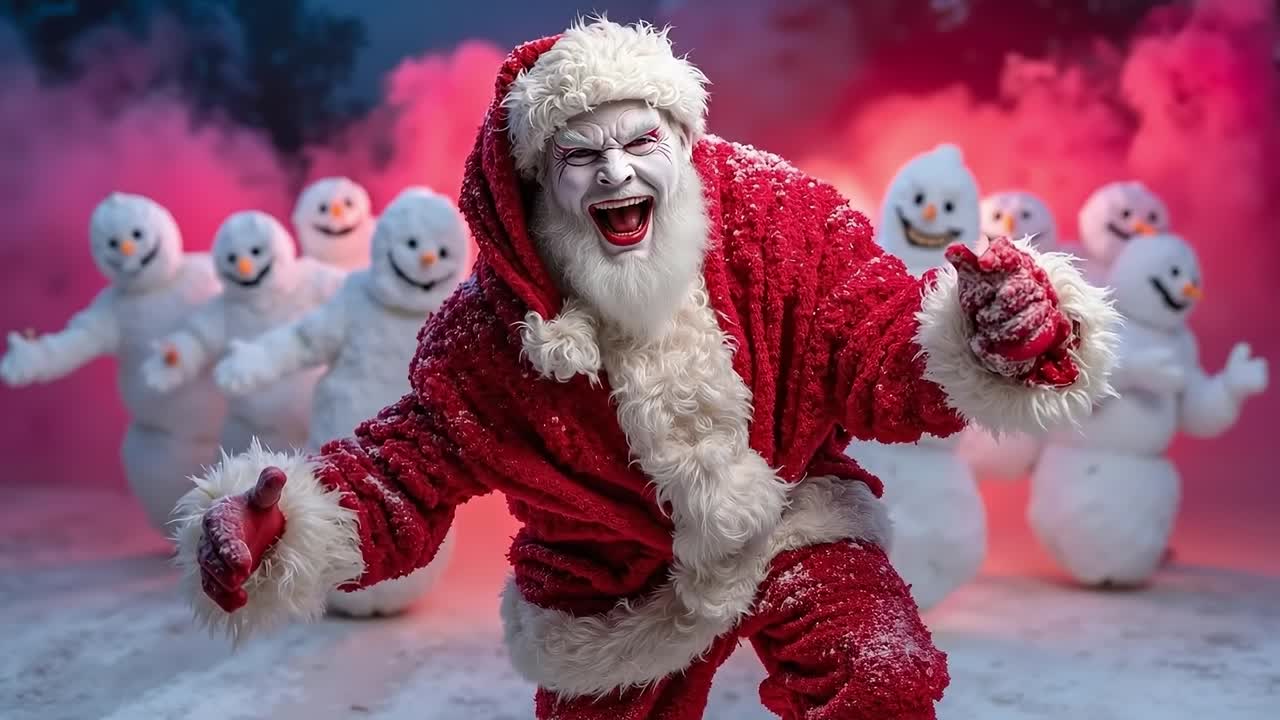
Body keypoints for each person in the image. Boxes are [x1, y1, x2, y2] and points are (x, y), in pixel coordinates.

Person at [172, 18, 1119, 720]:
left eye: (639, 144)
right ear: (539, 184)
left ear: (681, 142)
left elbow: (880, 342)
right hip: (606, 589)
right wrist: (282, 522)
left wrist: (997, 335)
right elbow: (405, 466)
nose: (618, 177)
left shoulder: (778, 220)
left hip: (791, 511)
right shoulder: (488, 336)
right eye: (581, 157)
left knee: (880, 676)